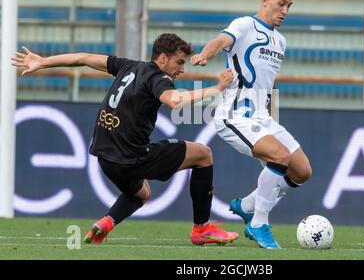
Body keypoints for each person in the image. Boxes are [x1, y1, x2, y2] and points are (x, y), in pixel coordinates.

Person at [12, 33, 238, 246]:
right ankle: (202, 229)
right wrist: (217, 88)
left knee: (142, 194)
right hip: (130, 159)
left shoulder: (128, 66)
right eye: (179, 62)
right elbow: (174, 100)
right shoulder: (158, 78)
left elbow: (83, 57)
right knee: (203, 154)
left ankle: (106, 223)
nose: (182, 68)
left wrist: (43, 62)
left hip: (104, 158)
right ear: (162, 58)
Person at [190, 0, 312, 249]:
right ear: (264, 0)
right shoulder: (245, 25)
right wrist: (205, 54)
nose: (285, 11)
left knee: (302, 171)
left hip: (262, 116)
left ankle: (246, 206)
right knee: (280, 157)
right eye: (281, 4)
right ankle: (258, 223)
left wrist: (270, 118)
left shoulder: (280, 41)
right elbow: (222, 40)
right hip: (235, 115)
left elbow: (268, 85)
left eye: (289, 6)